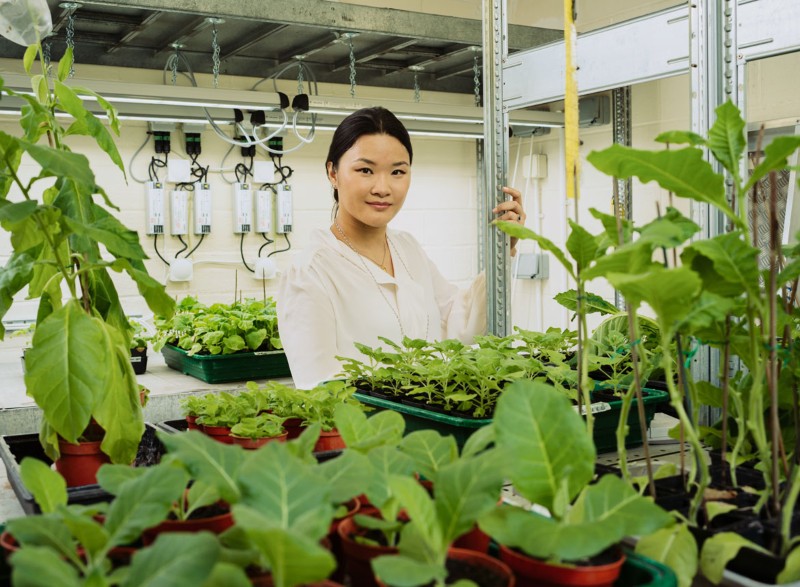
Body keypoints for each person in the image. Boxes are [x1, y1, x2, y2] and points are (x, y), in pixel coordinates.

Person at [277, 107, 526, 388]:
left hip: (427, 424)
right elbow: (319, 387)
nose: (383, 188)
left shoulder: (407, 248)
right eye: (365, 170)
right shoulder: (311, 272)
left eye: (397, 171)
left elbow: (459, 321)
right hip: (363, 430)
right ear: (333, 173)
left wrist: (502, 248)